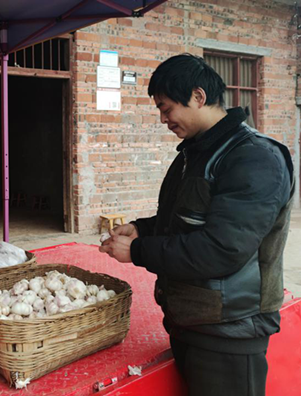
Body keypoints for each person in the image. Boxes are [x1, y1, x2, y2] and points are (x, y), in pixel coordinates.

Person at [99, 53, 294, 396]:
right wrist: (142, 228)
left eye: (167, 108)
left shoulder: (255, 158)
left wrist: (138, 250)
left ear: (198, 96)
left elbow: (222, 249)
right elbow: (184, 219)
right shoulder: (195, 153)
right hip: (191, 321)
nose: (163, 119)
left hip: (231, 330)